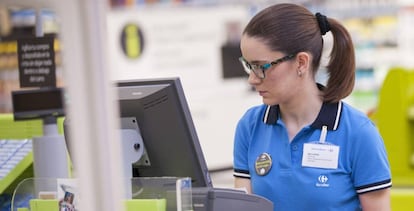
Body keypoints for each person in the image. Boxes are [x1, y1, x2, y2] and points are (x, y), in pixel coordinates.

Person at [233, 3, 392, 211]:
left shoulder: (359, 133)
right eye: (248, 65)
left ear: (301, 63)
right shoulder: (250, 126)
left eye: (260, 67)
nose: (252, 79)